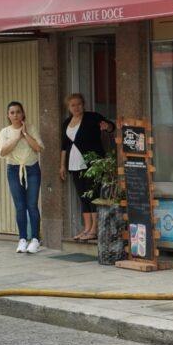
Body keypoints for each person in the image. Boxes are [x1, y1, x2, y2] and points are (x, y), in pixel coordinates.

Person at [59, 93, 114, 241]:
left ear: (83, 105)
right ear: (69, 108)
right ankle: (86, 229)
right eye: (73, 105)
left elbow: (110, 126)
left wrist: (107, 126)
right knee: (83, 196)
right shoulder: (66, 123)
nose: (76, 107)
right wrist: (62, 166)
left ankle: (94, 229)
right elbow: (64, 146)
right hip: (74, 164)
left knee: (93, 195)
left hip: (92, 163)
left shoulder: (92, 117)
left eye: (79, 104)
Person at [0, 101, 44, 254]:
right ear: (8, 115)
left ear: (23, 113)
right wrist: (17, 137)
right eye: (12, 112)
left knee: (31, 204)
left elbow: (38, 148)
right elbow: (3, 152)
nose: (15, 115)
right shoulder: (5, 132)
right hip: (13, 169)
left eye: (18, 112)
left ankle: (35, 239)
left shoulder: (31, 128)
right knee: (20, 206)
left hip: (31, 168)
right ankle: (22, 239)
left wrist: (25, 134)